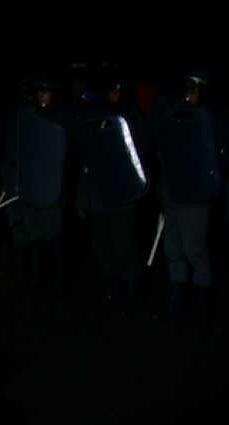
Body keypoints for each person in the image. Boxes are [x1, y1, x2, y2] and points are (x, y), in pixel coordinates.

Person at [73, 74, 153, 316]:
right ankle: (111, 291)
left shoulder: (134, 122)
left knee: (124, 248)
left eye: (118, 92)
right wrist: (82, 193)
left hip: (123, 196)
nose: (113, 96)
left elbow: (140, 160)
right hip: (98, 194)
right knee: (102, 247)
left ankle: (131, 294)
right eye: (110, 92)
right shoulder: (96, 118)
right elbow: (87, 161)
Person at [152, 69, 221, 325]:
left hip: (195, 197)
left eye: (197, 92)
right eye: (189, 91)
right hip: (172, 195)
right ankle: (176, 303)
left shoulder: (207, 121)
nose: (192, 96)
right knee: (173, 251)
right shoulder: (171, 118)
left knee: (195, 252)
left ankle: (201, 307)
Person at [0, 75, 72, 295]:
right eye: (39, 91)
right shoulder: (27, 118)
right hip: (29, 187)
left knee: (51, 234)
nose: (42, 95)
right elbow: (15, 150)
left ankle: (56, 280)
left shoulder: (60, 119)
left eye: (46, 91)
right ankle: (35, 277)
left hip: (50, 188)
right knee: (32, 234)